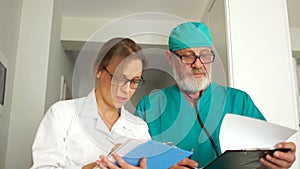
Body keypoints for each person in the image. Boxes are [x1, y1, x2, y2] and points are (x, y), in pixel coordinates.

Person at [135, 22, 296, 169]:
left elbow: (263, 156)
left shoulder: (239, 102)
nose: (198, 64)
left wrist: (279, 161)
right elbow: (132, 160)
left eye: (205, 55)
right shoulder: (149, 106)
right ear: (170, 58)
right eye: (188, 56)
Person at [31, 37, 150, 169]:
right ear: (99, 70)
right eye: (119, 78)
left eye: (134, 81)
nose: (126, 89)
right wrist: (96, 167)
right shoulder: (62, 113)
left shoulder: (140, 128)